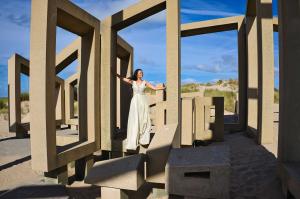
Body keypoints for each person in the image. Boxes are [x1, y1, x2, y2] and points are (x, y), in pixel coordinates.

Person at [113, 68, 165, 151]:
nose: (141, 73)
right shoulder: (132, 82)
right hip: (135, 102)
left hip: (143, 101)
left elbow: (154, 88)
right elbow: (122, 78)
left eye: (142, 73)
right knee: (135, 119)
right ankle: (134, 138)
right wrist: (115, 73)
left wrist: (162, 88)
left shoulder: (145, 82)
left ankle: (143, 138)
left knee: (143, 118)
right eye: (140, 72)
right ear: (136, 74)